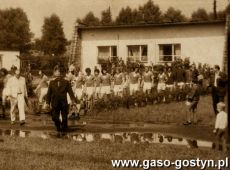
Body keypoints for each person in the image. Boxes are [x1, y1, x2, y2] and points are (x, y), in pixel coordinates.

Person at [45, 65, 77, 133]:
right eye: (56, 71)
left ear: (62, 73)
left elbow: (71, 93)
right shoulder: (51, 83)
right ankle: (59, 125)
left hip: (63, 103)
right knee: (54, 118)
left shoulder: (66, 82)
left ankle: (63, 128)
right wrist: (47, 103)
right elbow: (48, 94)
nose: (58, 73)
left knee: (64, 118)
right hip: (54, 102)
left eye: (59, 71)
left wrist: (73, 101)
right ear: (54, 73)